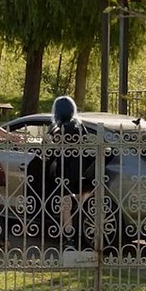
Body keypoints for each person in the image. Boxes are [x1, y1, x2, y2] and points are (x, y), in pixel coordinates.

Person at [46, 95, 97, 245]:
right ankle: (78, 234)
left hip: (66, 171)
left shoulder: (62, 127)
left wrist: (50, 142)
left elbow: (57, 149)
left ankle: (69, 236)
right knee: (76, 204)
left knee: (65, 204)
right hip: (81, 170)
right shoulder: (79, 125)